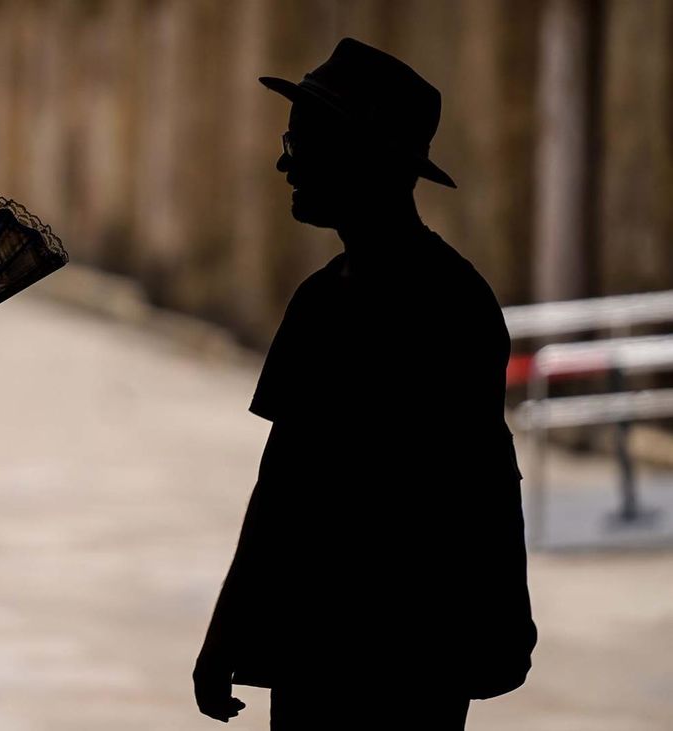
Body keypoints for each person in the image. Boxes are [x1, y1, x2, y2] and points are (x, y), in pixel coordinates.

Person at [192, 38, 536, 729]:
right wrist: (225, 632)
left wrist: (231, 631)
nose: (284, 161)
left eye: (302, 141)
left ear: (361, 158)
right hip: (327, 649)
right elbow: (282, 484)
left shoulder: (446, 308)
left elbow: (465, 493)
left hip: (405, 658)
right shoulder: (333, 300)